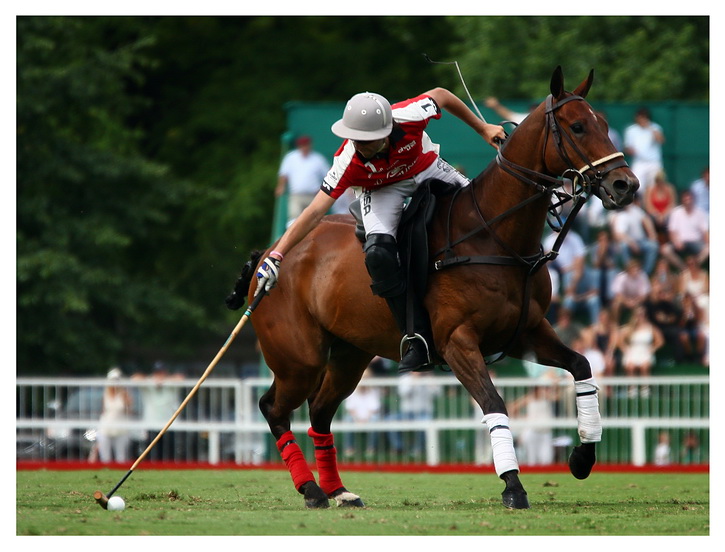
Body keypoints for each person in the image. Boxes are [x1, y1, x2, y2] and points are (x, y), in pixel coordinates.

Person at [254, 88, 505, 373]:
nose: (359, 144)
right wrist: (277, 255)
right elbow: (313, 212)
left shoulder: (409, 116)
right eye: (355, 138)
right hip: (381, 190)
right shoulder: (348, 160)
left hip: (424, 167)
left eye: (366, 139)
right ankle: (416, 337)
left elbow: (442, 95)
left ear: (386, 131)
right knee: (379, 254)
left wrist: (482, 128)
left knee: (483, 217)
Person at [544, 228, 600, 325]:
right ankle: (565, 324)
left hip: (584, 299)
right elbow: (568, 293)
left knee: (594, 300)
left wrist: (579, 297)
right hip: (574, 295)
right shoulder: (569, 275)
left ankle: (596, 324)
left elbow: (595, 291)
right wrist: (575, 280)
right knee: (568, 301)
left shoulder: (591, 273)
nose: (579, 263)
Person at [132, 361, 184, 461]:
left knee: (170, 454)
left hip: (169, 424)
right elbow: (135, 378)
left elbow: (180, 378)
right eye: (157, 372)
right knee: (152, 454)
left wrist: (164, 381)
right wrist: (152, 381)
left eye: (161, 372)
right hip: (152, 424)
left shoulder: (171, 384)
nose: (159, 375)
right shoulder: (148, 384)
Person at [275, 135, 331, 225]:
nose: (304, 147)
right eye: (302, 145)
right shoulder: (291, 157)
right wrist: (281, 186)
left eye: (306, 145)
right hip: (296, 195)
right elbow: (284, 174)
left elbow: (327, 174)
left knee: (313, 220)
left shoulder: (318, 159)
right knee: (293, 219)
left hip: (313, 196)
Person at [387, 371, 441, 460]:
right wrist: (414, 381)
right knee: (390, 420)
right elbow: (404, 393)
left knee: (426, 422)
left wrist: (431, 383)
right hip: (406, 413)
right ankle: (399, 447)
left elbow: (438, 393)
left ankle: (418, 450)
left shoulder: (430, 378)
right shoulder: (405, 379)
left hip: (424, 413)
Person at [617, 305, 664, 397]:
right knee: (630, 366)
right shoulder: (629, 328)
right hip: (632, 350)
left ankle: (645, 389)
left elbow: (660, 341)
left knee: (644, 367)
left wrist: (653, 349)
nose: (640, 316)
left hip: (645, 350)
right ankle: (632, 389)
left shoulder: (650, 327)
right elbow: (619, 340)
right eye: (638, 314)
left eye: (642, 314)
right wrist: (625, 349)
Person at [609, 194, 659, 275]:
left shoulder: (635, 209)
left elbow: (646, 220)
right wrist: (632, 244)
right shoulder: (618, 215)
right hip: (628, 243)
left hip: (641, 241)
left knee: (653, 245)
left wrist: (652, 234)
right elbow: (619, 235)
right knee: (623, 246)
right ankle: (630, 271)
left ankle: (645, 274)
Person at [660, 190, 709, 270]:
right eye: (686, 199)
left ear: (693, 199)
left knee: (709, 249)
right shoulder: (676, 212)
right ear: (682, 200)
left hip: (696, 242)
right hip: (680, 242)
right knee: (665, 250)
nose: (688, 201)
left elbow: (705, 231)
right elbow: (671, 231)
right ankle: (684, 270)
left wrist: (707, 243)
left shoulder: (700, 213)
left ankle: (694, 267)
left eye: (689, 199)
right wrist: (675, 241)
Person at [509, 385, 558, 466]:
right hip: (532, 431)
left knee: (547, 459)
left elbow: (557, 397)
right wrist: (524, 418)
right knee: (532, 459)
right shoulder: (529, 398)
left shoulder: (547, 398)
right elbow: (512, 408)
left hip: (545, 432)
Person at [94, 367, 133, 463]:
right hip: (105, 428)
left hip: (121, 428)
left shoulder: (124, 394)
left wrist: (125, 397)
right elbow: (103, 411)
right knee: (105, 457)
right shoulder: (105, 394)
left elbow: (129, 410)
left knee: (121, 457)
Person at [342, 367, 382, 460]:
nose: (364, 380)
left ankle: (371, 449)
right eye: (362, 377)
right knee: (347, 420)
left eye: (366, 377)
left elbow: (375, 409)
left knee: (375, 420)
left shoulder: (374, 391)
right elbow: (350, 409)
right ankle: (349, 448)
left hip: (369, 417)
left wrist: (365, 419)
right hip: (355, 417)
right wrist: (357, 419)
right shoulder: (351, 391)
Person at [623, 107, 665, 195]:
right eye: (640, 117)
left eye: (644, 118)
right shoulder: (631, 130)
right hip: (639, 162)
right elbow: (627, 148)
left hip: (654, 162)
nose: (641, 120)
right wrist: (631, 151)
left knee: (653, 187)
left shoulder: (655, 127)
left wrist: (650, 129)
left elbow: (661, 140)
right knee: (637, 187)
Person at [644, 280, 684, 363]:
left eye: (659, 291)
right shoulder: (646, 304)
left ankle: (679, 360)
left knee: (676, 332)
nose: (658, 293)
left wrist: (665, 319)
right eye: (656, 291)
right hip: (651, 328)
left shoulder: (664, 303)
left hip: (665, 328)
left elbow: (674, 316)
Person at [610, 259, 651, 324]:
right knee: (615, 304)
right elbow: (618, 294)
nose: (635, 271)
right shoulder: (621, 276)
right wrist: (627, 302)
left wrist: (635, 301)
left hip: (637, 300)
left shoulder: (643, 276)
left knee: (646, 304)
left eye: (637, 269)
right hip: (624, 299)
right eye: (633, 269)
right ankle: (615, 324)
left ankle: (638, 325)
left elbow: (644, 295)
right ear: (628, 270)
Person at [643, 170, 678, 245]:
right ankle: (653, 239)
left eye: (661, 181)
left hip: (666, 215)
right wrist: (657, 214)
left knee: (673, 218)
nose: (660, 183)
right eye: (658, 181)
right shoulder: (650, 189)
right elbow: (648, 205)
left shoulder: (670, 188)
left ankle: (671, 241)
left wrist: (664, 214)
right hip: (654, 216)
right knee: (646, 219)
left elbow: (672, 204)